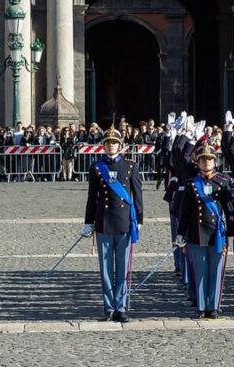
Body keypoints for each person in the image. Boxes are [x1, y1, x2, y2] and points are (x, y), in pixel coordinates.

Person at [82, 123, 143, 322]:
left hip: (124, 222)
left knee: (123, 268)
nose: (110, 146)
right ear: (103, 146)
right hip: (104, 222)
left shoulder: (130, 166)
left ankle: (121, 307)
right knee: (106, 269)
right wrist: (88, 222)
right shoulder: (97, 168)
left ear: (120, 145)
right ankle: (109, 307)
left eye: (114, 143)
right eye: (107, 143)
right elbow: (92, 197)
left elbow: (138, 193)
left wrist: (139, 219)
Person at [175, 144, 234, 319]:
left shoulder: (223, 181)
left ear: (215, 161)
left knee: (216, 271)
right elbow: (185, 212)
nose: (206, 163)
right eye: (203, 160)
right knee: (201, 271)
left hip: (217, 233)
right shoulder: (192, 184)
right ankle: (202, 306)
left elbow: (231, 207)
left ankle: (214, 306)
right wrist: (180, 234)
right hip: (197, 233)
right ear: (198, 162)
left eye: (209, 159)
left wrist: (231, 231)